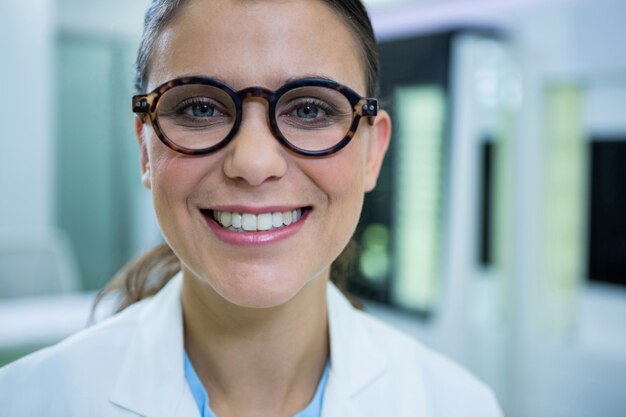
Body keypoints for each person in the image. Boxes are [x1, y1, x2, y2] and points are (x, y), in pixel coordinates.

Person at [0, 0, 504, 416]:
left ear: (372, 153)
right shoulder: (26, 402)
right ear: (145, 148)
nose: (254, 161)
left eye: (309, 109)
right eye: (200, 107)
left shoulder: (459, 406)